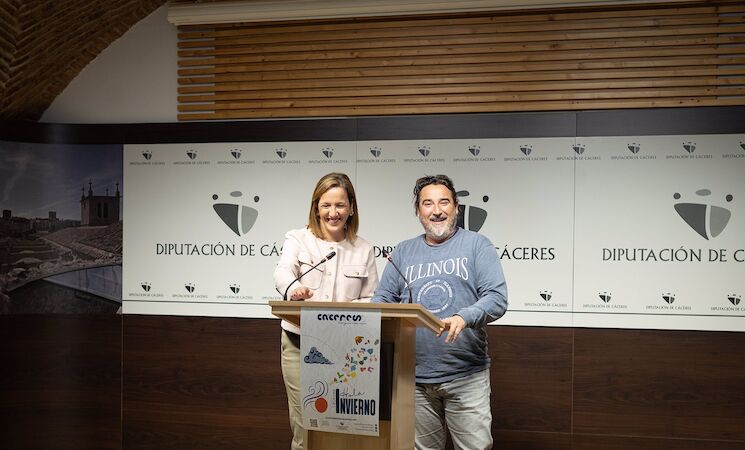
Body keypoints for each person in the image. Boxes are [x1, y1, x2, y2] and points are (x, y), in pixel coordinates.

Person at [373, 174, 507, 450]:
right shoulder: (402, 252)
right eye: (428, 204)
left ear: (456, 207)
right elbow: (381, 301)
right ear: (418, 210)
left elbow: (496, 298)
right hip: (414, 378)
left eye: (444, 202)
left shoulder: (477, 245)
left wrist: (463, 317)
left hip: (465, 376)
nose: (437, 211)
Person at [273, 172, 379, 450]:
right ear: (316, 208)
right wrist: (295, 289)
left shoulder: (364, 249)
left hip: (345, 349)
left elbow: (372, 298)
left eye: (340, 205)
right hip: (299, 343)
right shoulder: (298, 238)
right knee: (305, 424)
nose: (333, 213)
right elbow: (283, 272)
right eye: (326, 205)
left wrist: (344, 311)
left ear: (351, 208)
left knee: (342, 424)